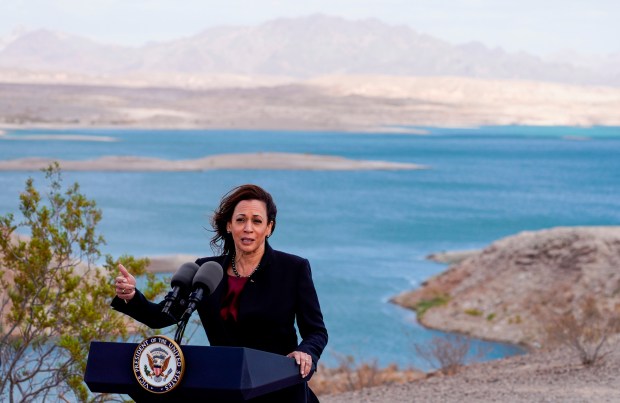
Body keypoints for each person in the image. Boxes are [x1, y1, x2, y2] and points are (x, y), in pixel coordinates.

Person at [111, 184, 328, 402]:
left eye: (257, 221)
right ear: (229, 225)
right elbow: (163, 316)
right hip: (226, 388)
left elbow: (316, 332)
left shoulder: (293, 269)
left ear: (269, 228)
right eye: (241, 220)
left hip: (280, 391)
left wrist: (305, 352)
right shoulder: (205, 271)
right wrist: (131, 296)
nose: (248, 228)